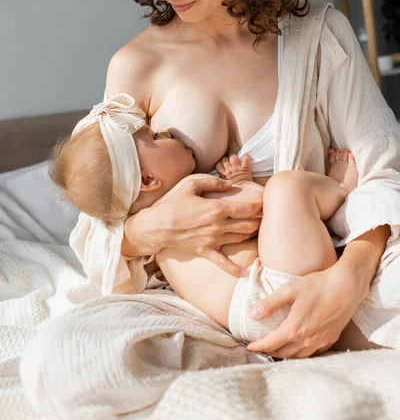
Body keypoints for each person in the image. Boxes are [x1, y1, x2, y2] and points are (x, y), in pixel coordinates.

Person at [20, 0, 400, 418]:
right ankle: (258, 349)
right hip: (202, 297)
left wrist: (346, 280)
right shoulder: (138, 64)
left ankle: (305, 336)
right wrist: (153, 231)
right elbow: (99, 216)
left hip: (331, 262)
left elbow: (383, 172)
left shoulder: (317, 37)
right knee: (66, 359)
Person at [49, 92, 359, 341]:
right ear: (147, 181)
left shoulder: (160, 242)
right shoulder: (187, 195)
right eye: (156, 137)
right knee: (286, 187)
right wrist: (240, 182)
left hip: (249, 318)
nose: (167, 130)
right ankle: (339, 189)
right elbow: (257, 206)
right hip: (275, 291)